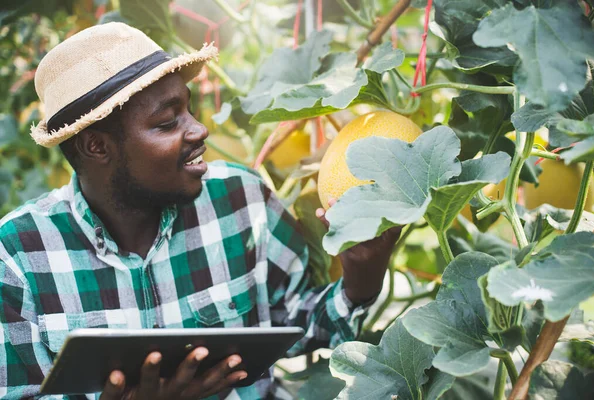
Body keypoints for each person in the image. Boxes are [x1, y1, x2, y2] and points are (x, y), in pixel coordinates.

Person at [0, 22, 400, 399]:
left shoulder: (243, 198)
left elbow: (301, 328)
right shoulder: (18, 257)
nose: (198, 130)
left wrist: (359, 282)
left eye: (188, 110)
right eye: (167, 122)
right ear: (97, 147)